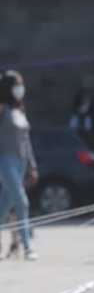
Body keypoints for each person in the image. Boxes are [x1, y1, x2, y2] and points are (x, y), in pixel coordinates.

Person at [0, 71, 39, 260]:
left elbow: (26, 140)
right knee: (22, 202)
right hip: (5, 160)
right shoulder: (2, 109)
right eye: (16, 85)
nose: (20, 89)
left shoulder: (20, 109)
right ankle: (27, 246)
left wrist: (32, 165)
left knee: (4, 205)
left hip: (21, 161)